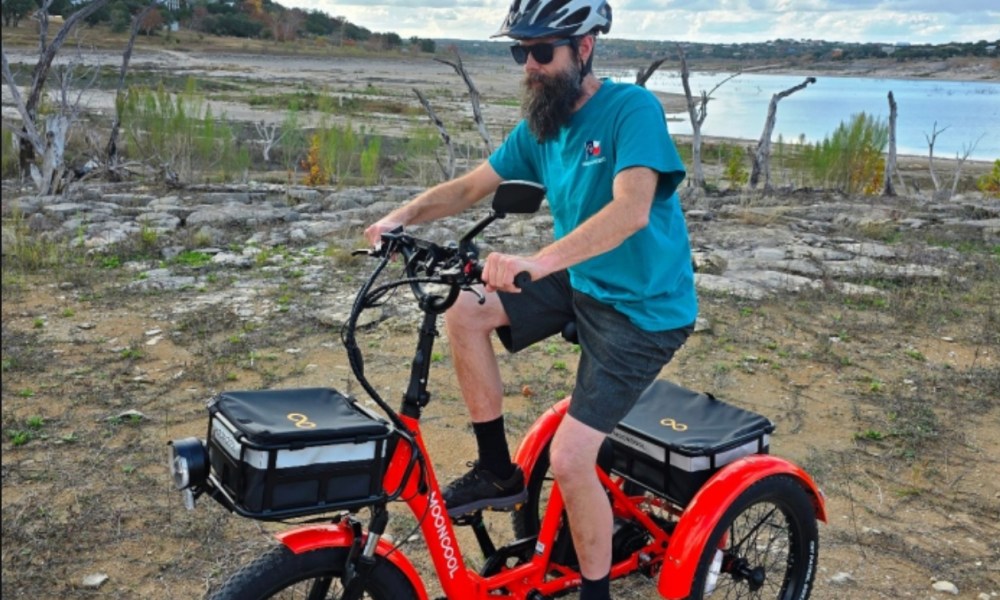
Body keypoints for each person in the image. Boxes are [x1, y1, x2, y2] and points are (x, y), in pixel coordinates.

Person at [364, 1, 696, 598]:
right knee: (465, 308)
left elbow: (631, 210)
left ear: (584, 49)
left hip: (642, 309)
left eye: (543, 52)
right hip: (582, 282)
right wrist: (401, 216)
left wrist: (536, 262)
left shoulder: (631, 110)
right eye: (522, 52)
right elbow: (470, 186)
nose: (530, 66)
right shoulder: (543, 127)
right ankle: (497, 468)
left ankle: (595, 591)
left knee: (571, 460)